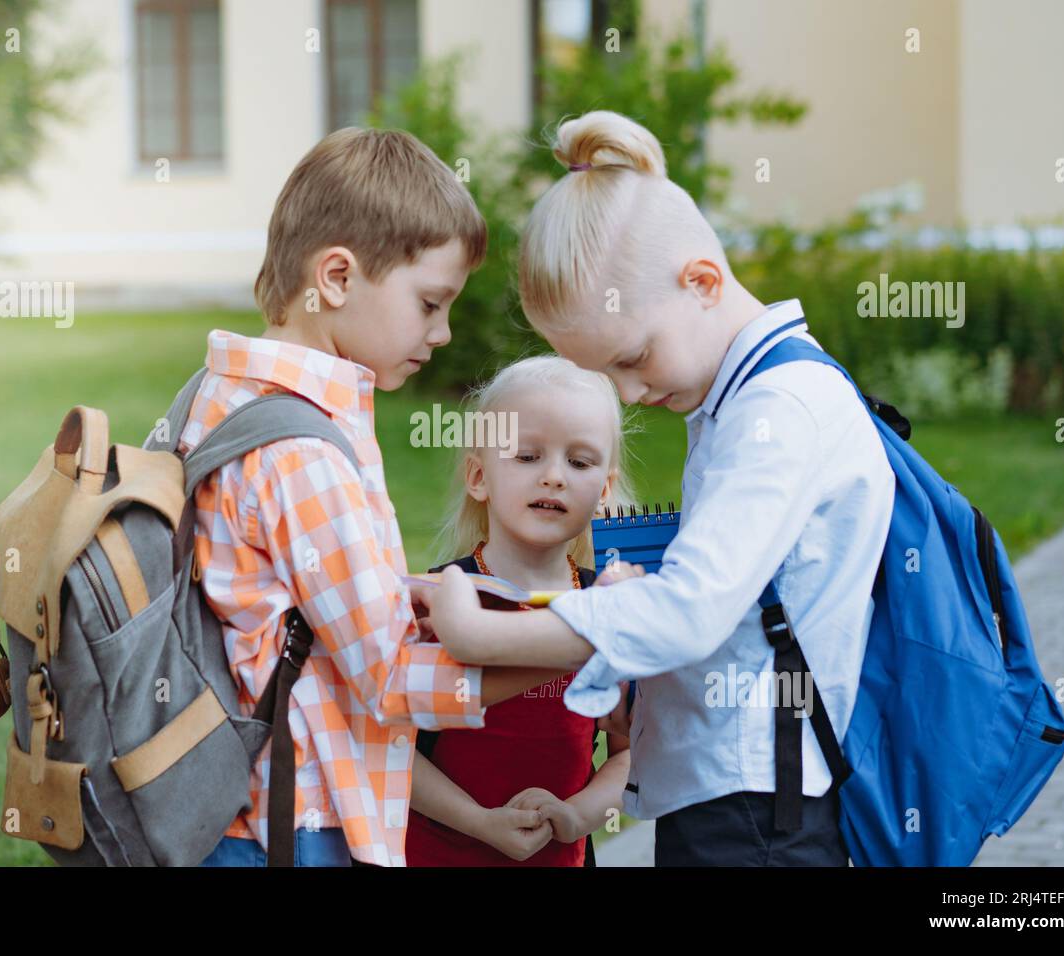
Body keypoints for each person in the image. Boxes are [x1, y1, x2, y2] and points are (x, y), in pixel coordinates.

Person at [417, 111, 896, 866]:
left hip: (757, 814)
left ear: (702, 281)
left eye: (634, 357)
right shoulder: (741, 403)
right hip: (735, 800)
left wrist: (482, 634)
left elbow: (693, 610)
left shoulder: (778, 411)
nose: (630, 393)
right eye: (609, 373)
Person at [191, 127, 572, 867]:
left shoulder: (220, 393)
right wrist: (583, 643)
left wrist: (403, 595)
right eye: (430, 303)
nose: (443, 331)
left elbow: (282, 597)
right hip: (292, 821)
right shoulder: (301, 452)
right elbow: (392, 682)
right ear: (335, 277)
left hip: (228, 809)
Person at [406, 356, 633, 866]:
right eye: (528, 456)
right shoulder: (441, 598)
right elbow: (392, 747)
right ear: (478, 476)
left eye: (578, 463)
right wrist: (480, 822)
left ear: (604, 492)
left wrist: (576, 815)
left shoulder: (607, 609)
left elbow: (628, 754)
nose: (553, 477)